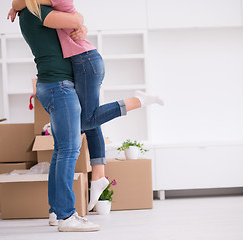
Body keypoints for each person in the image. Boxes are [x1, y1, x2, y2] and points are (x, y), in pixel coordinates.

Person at [9, 0, 163, 228]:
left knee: (62, 150)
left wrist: (81, 28)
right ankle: (66, 217)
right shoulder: (37, 11)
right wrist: (79, 23)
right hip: (59, 85)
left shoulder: (30, 10)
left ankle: (56, 212)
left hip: (52, 84)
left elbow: (71, 23)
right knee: (70, 149)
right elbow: (76, 18)